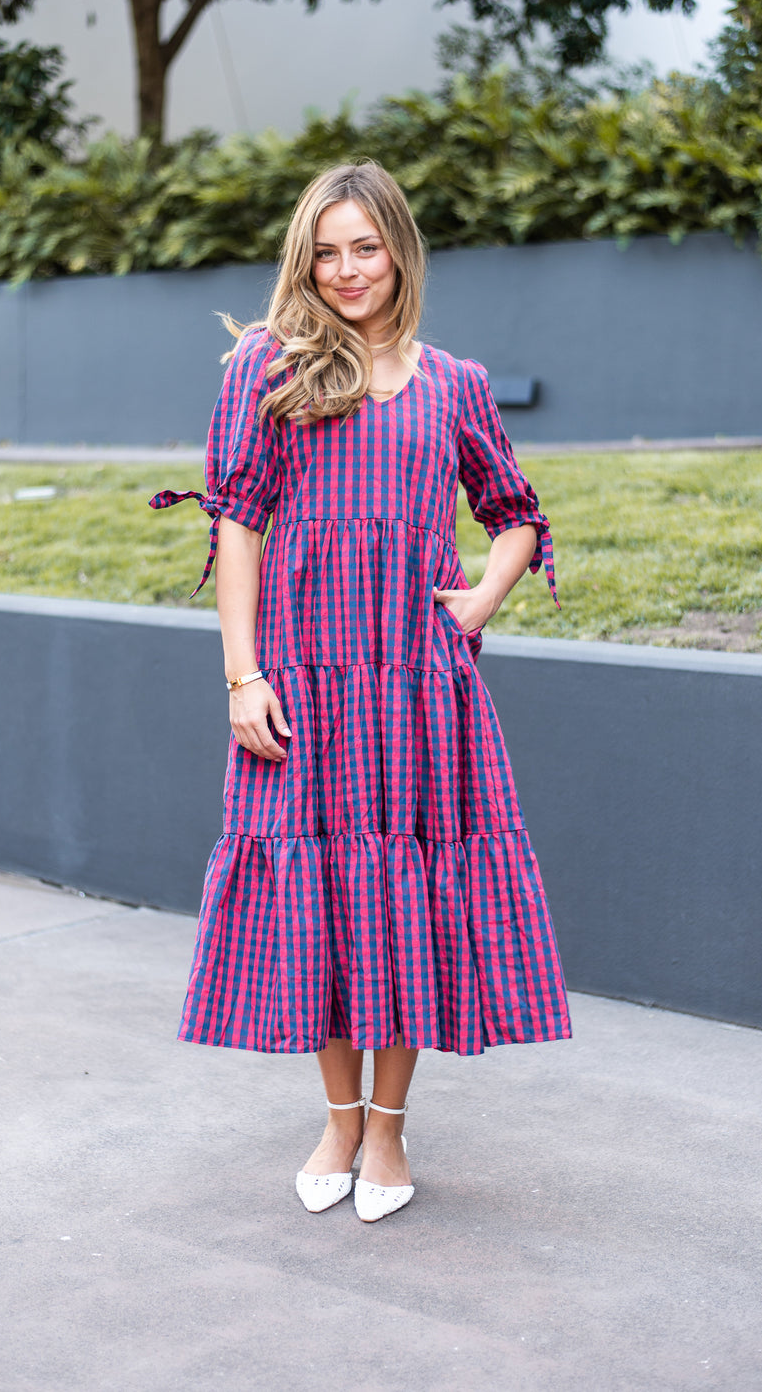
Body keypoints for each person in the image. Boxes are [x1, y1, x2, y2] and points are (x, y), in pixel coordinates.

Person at [150, 160, 570, 1224]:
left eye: (364, 248)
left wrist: (481, 599)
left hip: (419, 690)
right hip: (302, 682)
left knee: (405, 901)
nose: (346, 271)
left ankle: (387, 1131)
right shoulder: (268, 367)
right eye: (325, 252)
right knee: (325, 900)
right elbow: (235, 522)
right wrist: (242, 675)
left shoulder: (455, 384)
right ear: (307, 260)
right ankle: (337, 1116)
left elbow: (515, 512)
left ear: (399, 251)